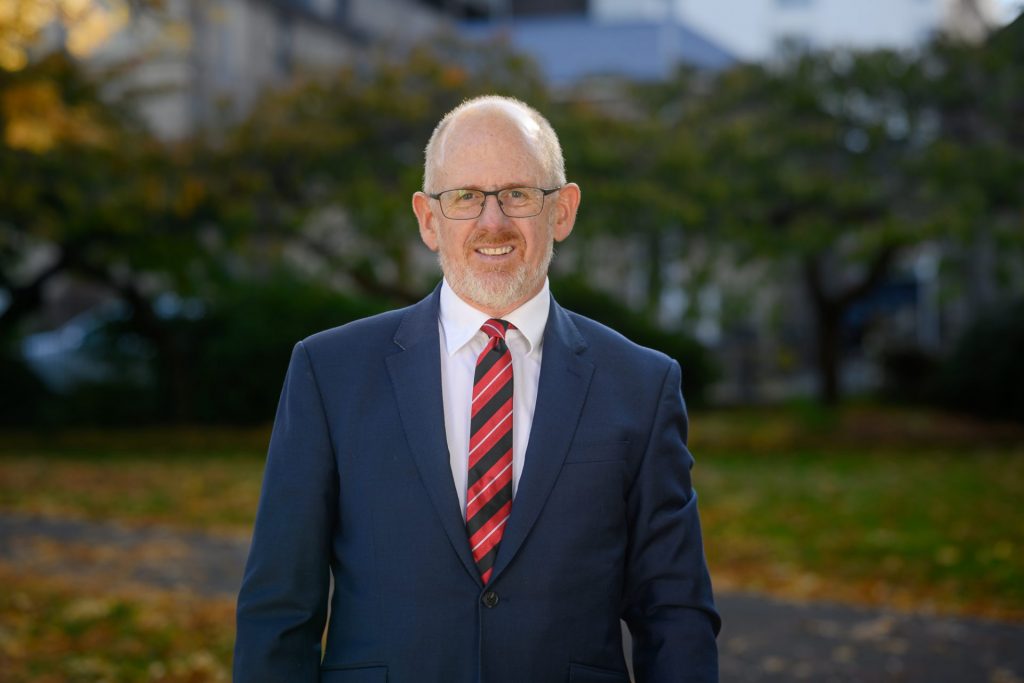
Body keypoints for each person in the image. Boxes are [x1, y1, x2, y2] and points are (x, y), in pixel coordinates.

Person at [233, 95, 720, 683]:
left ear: (562, 211)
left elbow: (675, 612)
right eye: (465, 196)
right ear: (428, 219)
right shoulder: (330, 372)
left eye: (518, 194)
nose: (492, 222)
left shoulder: (641, 385)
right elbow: (279, 610)